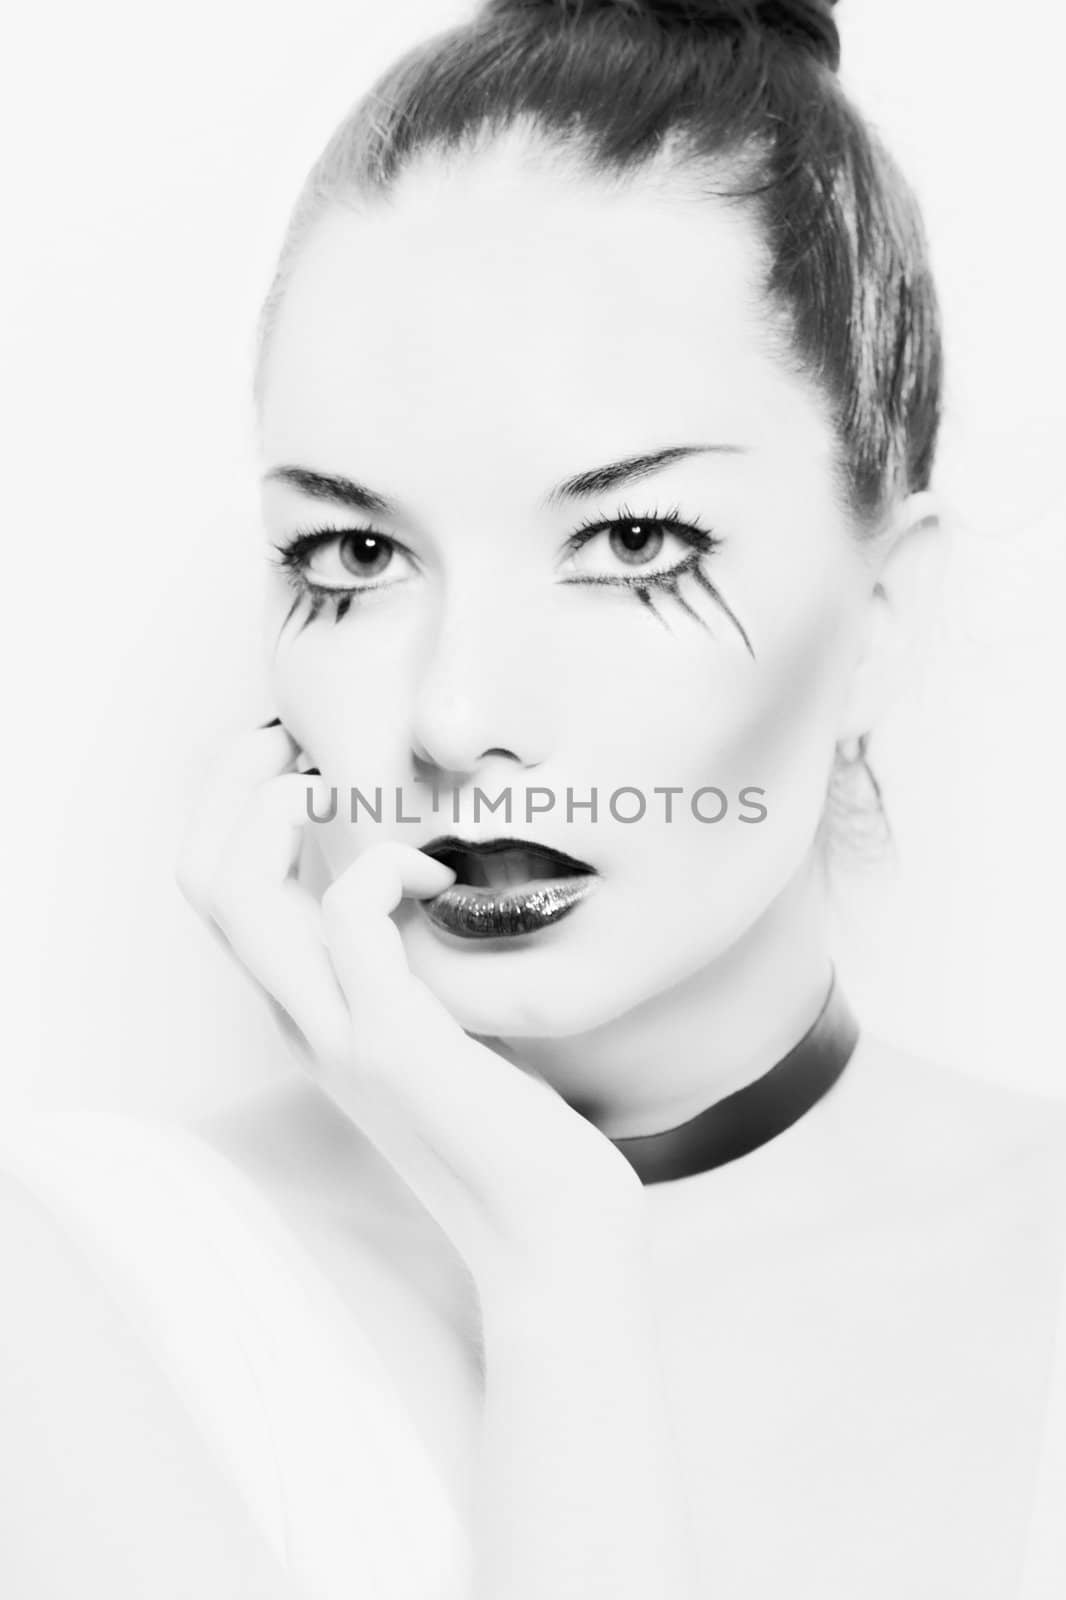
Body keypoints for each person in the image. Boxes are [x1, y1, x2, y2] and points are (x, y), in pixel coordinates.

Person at [3, 1, 1065, 1597]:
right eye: (352, 553)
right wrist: (552, 1267)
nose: (454, 717)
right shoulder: (85, 1285)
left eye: (635, 542)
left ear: (882, 619)